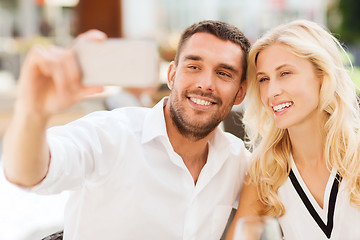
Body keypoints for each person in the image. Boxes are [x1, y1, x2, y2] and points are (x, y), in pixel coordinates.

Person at [2, 20, 251, 240]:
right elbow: (28, 173)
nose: (205, 84)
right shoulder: (111, 134)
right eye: (194, 67)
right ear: (172, 75)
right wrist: (32, 112)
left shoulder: (237, 160)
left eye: (223, 73)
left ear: (240, 92)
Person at [226, 19, 360, 240]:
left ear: (322, 75)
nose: (272, 91)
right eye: (264, 79)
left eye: (285, 73)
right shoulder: (265, 173)